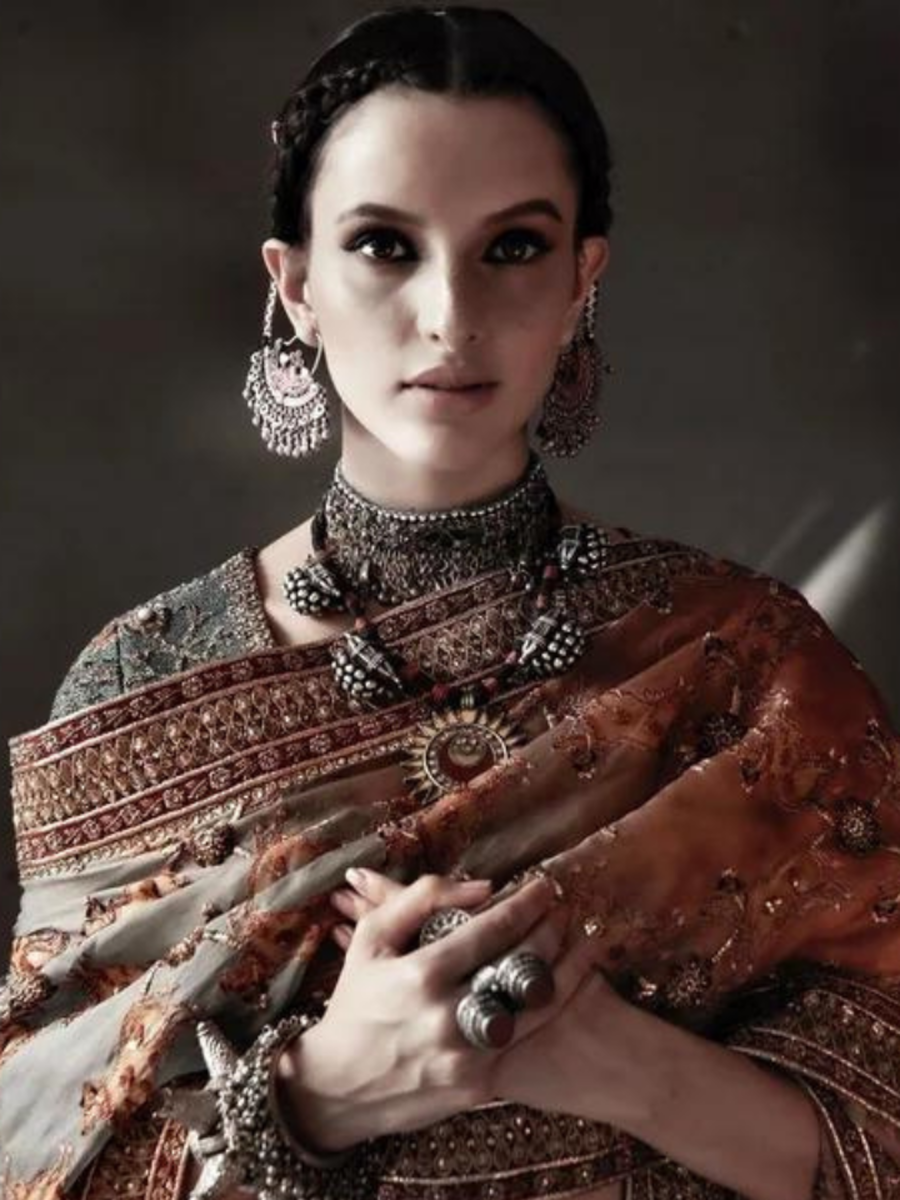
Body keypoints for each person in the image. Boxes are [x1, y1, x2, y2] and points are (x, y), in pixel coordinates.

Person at [2, 6, 899, 1200]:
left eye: (513, 247)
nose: (450, 315)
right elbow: (29, 1146)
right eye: (384, 245)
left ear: (583, 279)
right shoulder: (141, 681)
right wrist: (325, 1092)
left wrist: (613, 1061)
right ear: (296, 285)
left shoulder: (755, 664)